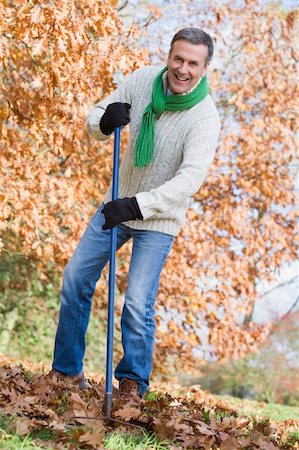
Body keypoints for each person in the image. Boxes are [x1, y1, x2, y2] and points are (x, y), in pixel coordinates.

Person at [51, 27, 221, 409]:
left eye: (193, 63)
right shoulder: (144, 80)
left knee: (137, 301)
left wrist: (138, 205)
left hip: (157, 218)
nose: (183, 69)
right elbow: (97, 115)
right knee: (75, 277)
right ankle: (66, 372)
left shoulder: (204, 118)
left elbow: (189, 181)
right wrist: (104, 120)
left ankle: (132, 384)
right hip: (116, 203)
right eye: (178, 59)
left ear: (205, 68)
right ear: (169, 55)